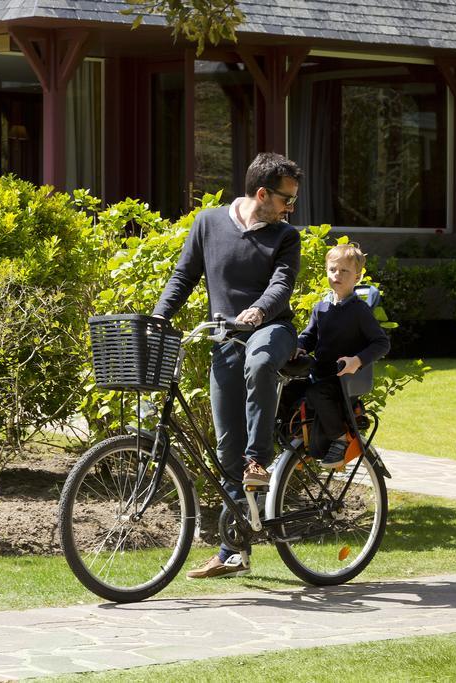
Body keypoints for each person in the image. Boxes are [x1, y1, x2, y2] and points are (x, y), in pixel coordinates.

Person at [152, 152, 303, 579]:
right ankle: (233, 550)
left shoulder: (285, 236)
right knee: (225, 449)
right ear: (262, 194)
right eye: (286, 200)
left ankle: (260, 461)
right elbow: (183, 276)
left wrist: (257, 311)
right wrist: (160, 316)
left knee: (259, 363)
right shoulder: (209, 223)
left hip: (271, 331)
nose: (290, 209)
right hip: (226, 338)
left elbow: (281, 285)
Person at [295, 244, 390, 468]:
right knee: (291, 393)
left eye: (344, 271)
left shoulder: (359, 310)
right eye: (332, 270)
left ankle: (339, 439)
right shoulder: (321, 307)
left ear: (356, 277)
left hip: (343, 379)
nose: (337, 275)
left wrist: (357, 361)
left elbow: (381, 343)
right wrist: (299, 346)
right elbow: (309, 336)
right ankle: (301, 444)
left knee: (317, 393)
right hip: (320, 372)